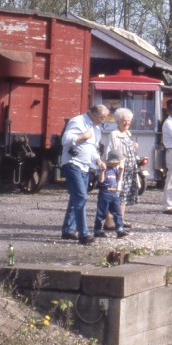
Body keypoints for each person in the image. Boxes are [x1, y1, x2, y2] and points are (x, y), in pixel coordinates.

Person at [60, 102, 109, 243]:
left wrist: (98, 160)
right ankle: (84, 234)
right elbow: (65, 140)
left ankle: (68, 230)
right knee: (81, 197)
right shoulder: (77, 121)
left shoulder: (96, 128)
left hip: (86, 166)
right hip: (72, 163)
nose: (103, 121)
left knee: (76, 197)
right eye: (102, 118)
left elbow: (93, 148)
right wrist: (82, 136)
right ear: (94, 114)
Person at [100, 107, 142, 228]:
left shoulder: (128, 134)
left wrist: (133, 147)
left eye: (129, 120)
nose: (127, 122)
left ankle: (120, 220)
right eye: (125, 120)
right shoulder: (114, 134)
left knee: (124, 195)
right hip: (118, 170)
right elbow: (110, 152)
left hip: (129, 170)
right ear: (118, 121)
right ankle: (109, 222)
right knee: (114, 194)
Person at [93, 149, 126, 238]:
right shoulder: (104, 168)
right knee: (101, 212)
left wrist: (121, 171)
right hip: (105, 192)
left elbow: (118, 179)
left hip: (114, 192)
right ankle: (97, 229)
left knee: (117, 212)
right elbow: (101, 181)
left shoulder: (115, 169)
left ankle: (120, 229)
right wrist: (103, 171)